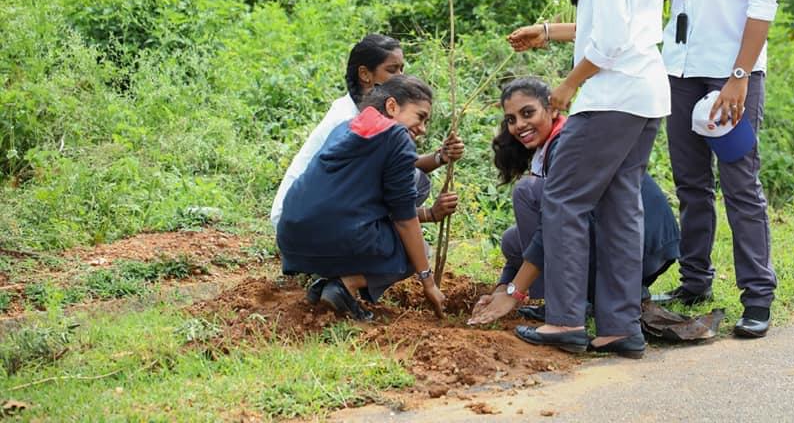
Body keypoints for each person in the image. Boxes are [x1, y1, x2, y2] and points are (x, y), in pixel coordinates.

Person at [504, 0, 670, 358]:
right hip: (646, 96)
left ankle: (566, 320)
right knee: (621, 207)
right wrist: (550, 31)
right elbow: (616, 29)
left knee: (562, 200)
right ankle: (620, 327)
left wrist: (567, 87)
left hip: (611, 98)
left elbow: (611, 43)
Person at [652, 0, 784, 338]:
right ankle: (695, 282)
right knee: (691, 186)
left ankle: (758, 297)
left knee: (739, 185)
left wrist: (739, 78)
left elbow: (761, 5)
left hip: (730, 75)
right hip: (680, 71)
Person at [468, 77, 679, 325]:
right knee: (513, 240)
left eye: (528, 113)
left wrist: (516, 293)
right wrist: (503, 287)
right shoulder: (559, 141)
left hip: (639, 251)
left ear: (552, 108)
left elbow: (550, 227)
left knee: (526, 192)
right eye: (511, 120)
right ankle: (589, 294)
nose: (519, 125)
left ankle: (564, 303)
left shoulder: (568, 146)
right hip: (643, 248)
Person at [276, 75, 445, 320]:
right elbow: (404, 219)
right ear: (392, 106)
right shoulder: (396, 136)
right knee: (417, 249)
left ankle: (325, 283)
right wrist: (427, 281)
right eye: (420, 117)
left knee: (413, 182)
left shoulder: (347, 125)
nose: (422, 129)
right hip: (337, 237)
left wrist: (439, 161)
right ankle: (345, 285)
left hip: (292, 241)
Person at [269, 34, 463, 231]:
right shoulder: (348, 120)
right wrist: (426, 215)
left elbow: (394, 163)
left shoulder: (367, 112)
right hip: (300, 217)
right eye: (392, 70)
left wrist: (440, 157)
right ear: (365, 74)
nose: (401, 76)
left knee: (415, 179)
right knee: (412, 181)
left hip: (307, 213)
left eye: (402, 69)